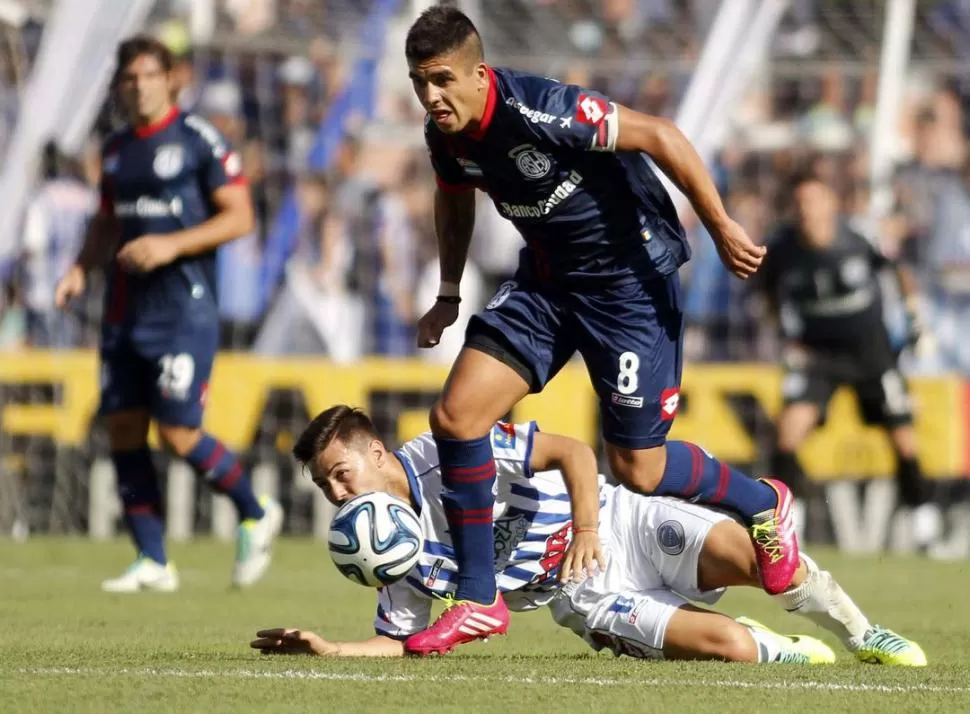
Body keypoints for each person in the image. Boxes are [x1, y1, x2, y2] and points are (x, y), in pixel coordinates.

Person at [402, 6, 798, 654]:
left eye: (442, 79)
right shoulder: (445, 135)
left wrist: (721, 225)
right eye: (420, 82)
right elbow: (453, 196)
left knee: (638, 469)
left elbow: (661, 135)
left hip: (628, 285)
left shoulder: (542, 108)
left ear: (479, 72)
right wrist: (448, 292)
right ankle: (478, 596)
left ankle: (761, 503)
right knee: (457, 416)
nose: (431, 96)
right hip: (548, 283)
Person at [250, 405, 925, 665]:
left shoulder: (452, 450)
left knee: (751, 557)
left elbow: (574, 451)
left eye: (340, 475)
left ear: (375, 453)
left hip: (616, 522)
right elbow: (403, 641)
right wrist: (329, 648)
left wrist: (587, 528)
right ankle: (788, 649)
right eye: (326, 488)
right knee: (731, 648)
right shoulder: (389, 554)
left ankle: (863, 634)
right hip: (581, 597)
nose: (339, 495)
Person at [53, 35, 282, 592]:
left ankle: (254, 510)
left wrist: (171, 245)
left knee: (178, 432)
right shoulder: (114, 149)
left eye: (148, 76)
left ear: (171, 78)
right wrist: (81, 267)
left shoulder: (199, 139)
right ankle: (153, 560)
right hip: (125, 309)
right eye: (128, 78)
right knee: (124, 429)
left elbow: (240, 218)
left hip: (184, 310)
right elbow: (106, 221)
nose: (138, 87)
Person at [758, 171, 941, 548]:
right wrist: (784, 336)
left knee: (903, 435)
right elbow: (768, 294)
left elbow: (900, 269)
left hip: (868, 349)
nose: (807, 211)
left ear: (831, 205)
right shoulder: (781, 248)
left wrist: (914, 316)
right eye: (801, 203)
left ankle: (924, 517)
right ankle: (794, 525)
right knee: (788, 432)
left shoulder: (860, 236)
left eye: (815, 201)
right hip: (816, 352)